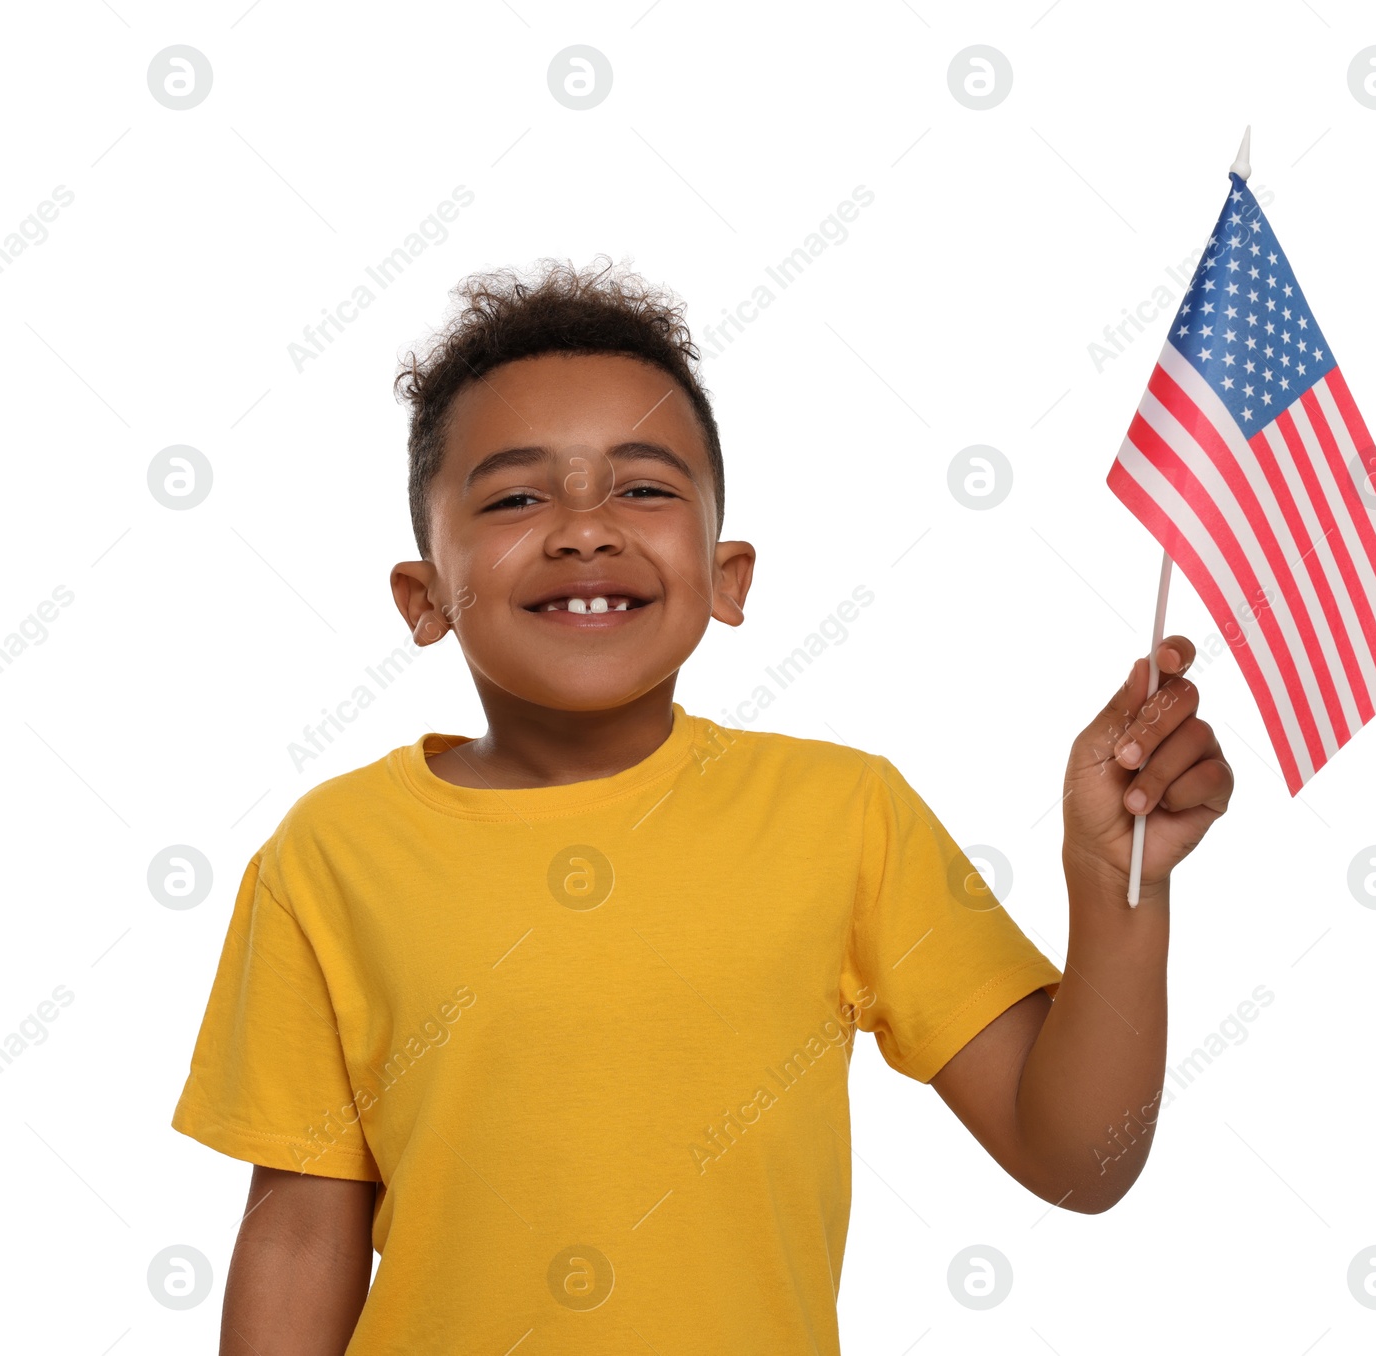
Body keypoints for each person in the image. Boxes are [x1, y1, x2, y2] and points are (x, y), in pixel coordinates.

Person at [171, 257, 1234, 1355]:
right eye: (516, 496)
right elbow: (298, 1232)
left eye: (641, 487)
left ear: (728, 578)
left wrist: (1115, 886)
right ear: (423, 597)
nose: (585, 528)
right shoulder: (332, 854)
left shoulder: (842, 815)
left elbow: (1078, 1160)